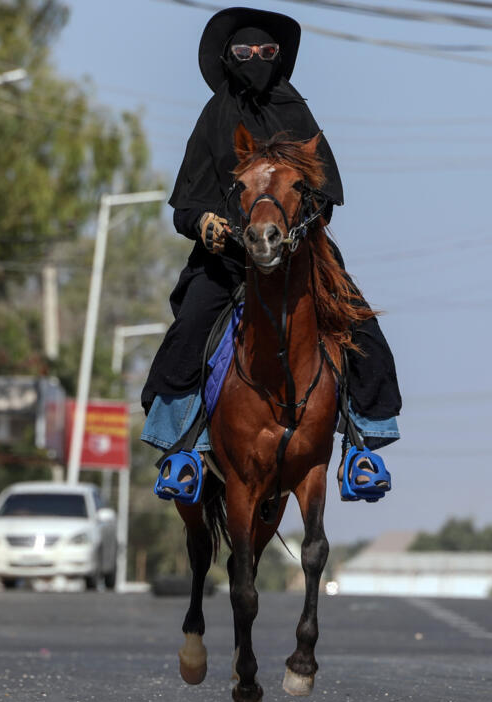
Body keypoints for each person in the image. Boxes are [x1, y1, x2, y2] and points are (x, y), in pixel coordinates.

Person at [140, 6, 401, 501]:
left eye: (266, 52)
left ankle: (364, 443)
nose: (255, 59)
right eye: (243, 52)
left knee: (361, 323)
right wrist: (205, 223)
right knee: (191, 325)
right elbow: (184, 206)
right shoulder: (214, 115)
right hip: (228, 260)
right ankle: (179, 448)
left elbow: (325, 198)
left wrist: (297, 227)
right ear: (227, 58)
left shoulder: (298, 113)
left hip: (299, 257)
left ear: (280, 58)